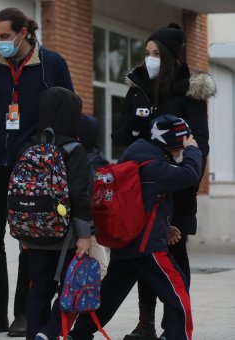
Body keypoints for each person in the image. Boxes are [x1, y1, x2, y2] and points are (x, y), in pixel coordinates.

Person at [0, 7, 74, 336]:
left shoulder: (52, 64)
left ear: (23, 33)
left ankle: (24, 312)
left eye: (5, 36)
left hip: (34, 167)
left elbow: (69, 109)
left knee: (31, 239)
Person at [111, 24, 215, 340]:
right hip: (140, 191)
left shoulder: (189, 91)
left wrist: (185, 178)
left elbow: (200, 142)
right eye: (147, 53)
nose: (150, 59)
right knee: (145, 253)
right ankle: (146, 324)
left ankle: (176, 325)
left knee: (175, 256)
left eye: (156, 54)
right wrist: (138, 125)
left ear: (169, 57)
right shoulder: (138, 87)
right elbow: (119, 135)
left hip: (176, 188)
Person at [70, 115, 202, 340]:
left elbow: (145, 201)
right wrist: (193, 151)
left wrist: (165, 227)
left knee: (110, 294)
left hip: (127, 241)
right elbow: (189, 175)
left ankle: (79, 334)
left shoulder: (135, 155)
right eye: (183, 140)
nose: (184, 146)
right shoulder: (153, 163)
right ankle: (176, 335)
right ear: (172, 141)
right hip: (146, 246)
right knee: (177, 290)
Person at [22, 87, 93, 340]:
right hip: (67, 237)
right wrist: (85, 235)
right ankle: (51, 331)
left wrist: (23, 232)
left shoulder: (30, 145)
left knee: (38, 288)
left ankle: (34, 334)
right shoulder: (74, 149)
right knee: (69, 289)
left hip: (34, 234)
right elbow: (80, 195)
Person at [77, 114, 110, 278]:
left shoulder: (76, 155)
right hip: (88, 225)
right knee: (100, 269)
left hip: (83, 223)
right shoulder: (97, 158)